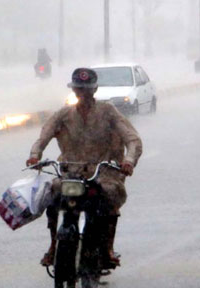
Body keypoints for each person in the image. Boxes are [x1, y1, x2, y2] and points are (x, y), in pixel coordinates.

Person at [26, 68, 142, 267]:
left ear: (95, 89)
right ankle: (54, 245)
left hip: (103, 172)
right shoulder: (64, 114)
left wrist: (129, 161)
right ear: (74, 90)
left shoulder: (108, 112)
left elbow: (132, 139)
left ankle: (107, 249)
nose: (83, 93)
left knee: (109, 199)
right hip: (71, 172)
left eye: (87, 89)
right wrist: (35, 155)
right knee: (53, 197)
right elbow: (43, 137)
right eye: (79, 89)